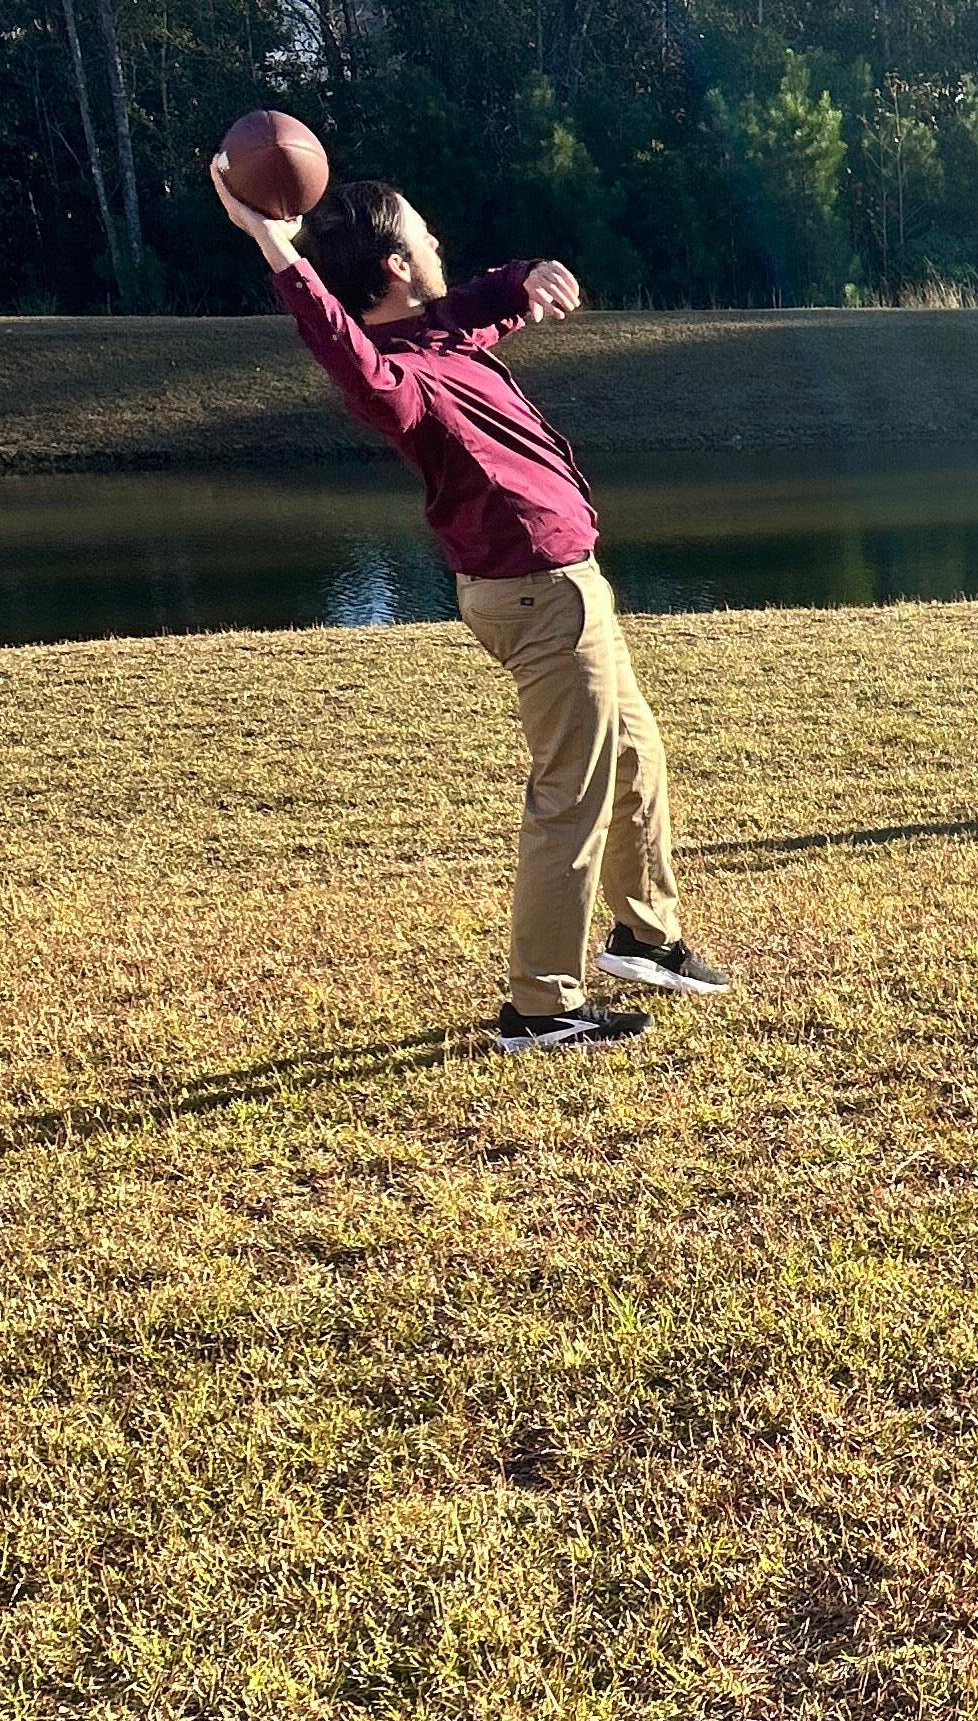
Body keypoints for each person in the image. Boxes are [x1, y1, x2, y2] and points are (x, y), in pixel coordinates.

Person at [210, 152, 729, 1055]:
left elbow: (484, 300)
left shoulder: (439, 335)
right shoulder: (397, 376)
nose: (438, 240)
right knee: (570, 796)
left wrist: (528, 276)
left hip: (564, 586)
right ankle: (542, 1008)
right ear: (395, 267)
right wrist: (275, 246)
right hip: (540, 595)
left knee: (635, 758)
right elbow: (344, 352)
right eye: (424, 234)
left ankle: (644, 937)